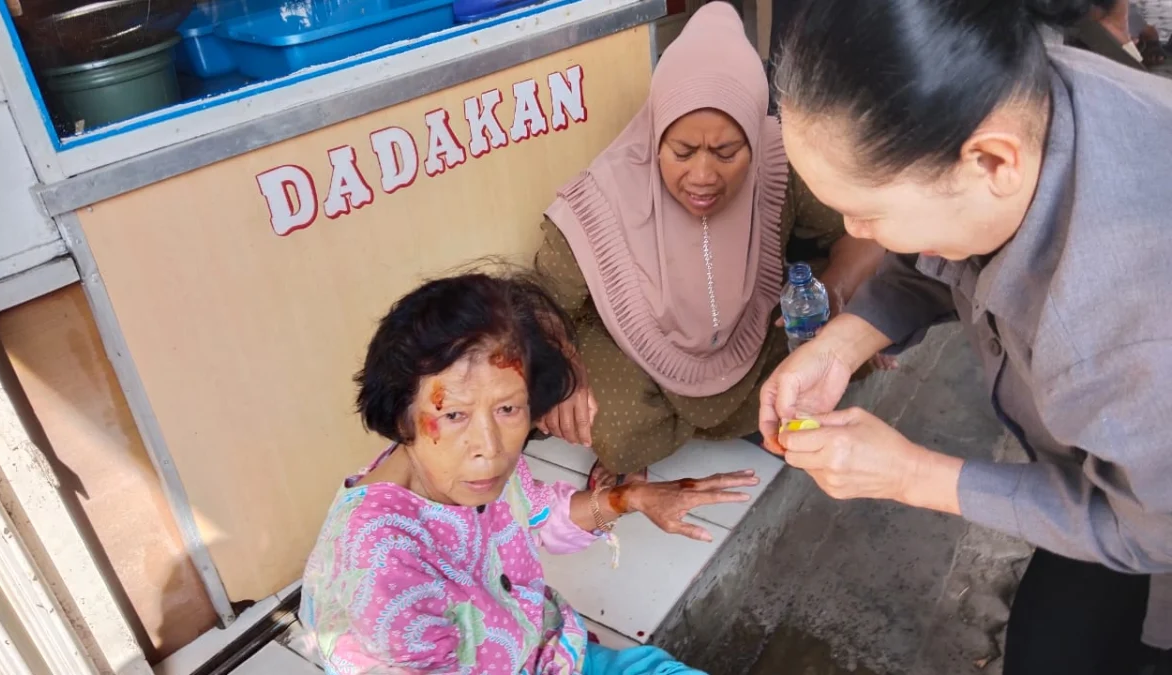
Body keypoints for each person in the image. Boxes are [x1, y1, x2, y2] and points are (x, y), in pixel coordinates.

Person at [760, 0, 1172, 672]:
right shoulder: (1024, 94)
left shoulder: (1118, 326)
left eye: (865, 212)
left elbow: (1149, 527)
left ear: (990, 159)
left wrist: (909, 474)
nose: (853, 234)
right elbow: (946, 247)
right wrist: (841, 343)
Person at [300, 272, 758, 673]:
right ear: (400, 415)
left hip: (543, 647)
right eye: (455, 415)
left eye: (507, 408)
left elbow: (540, 516)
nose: (490, 448)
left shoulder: (465, 474)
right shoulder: (382, 561)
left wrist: (632, 499)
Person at [533, 2, 886, 489]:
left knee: (850, 350)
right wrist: (566, 370)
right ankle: (718, 418)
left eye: (726, 153)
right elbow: (540, 306)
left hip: (753, 331)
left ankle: (707, 419)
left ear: (754, 142)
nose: (701, 177)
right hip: (639, 357)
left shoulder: (778, 159)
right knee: (617, 432)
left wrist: (833, 292)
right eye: (681, 152)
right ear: (655, 135)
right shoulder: (600, 199)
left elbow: (863, 231)